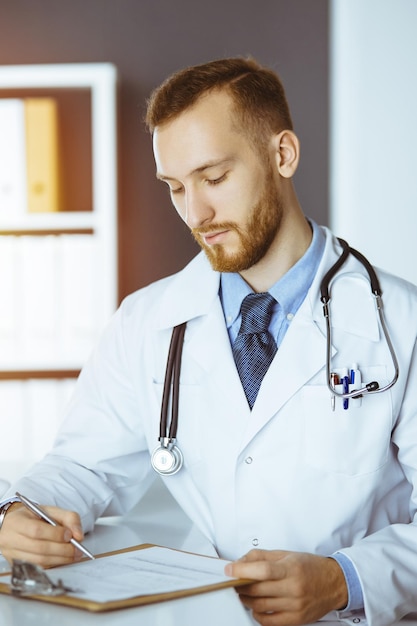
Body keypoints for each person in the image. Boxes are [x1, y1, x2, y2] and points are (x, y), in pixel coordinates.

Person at [1, 57, 417, 626]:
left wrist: (343, 579)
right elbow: (84, 466)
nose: (196, 214)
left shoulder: (400, 322)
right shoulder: (147, 322)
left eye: (214, 178)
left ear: (283, 155)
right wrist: (21, 512)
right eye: (175, 187)